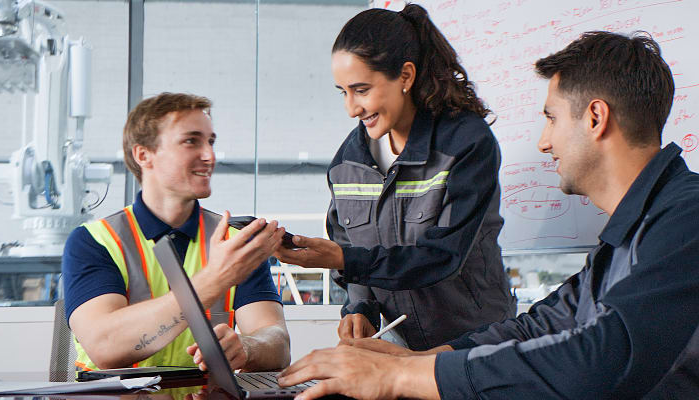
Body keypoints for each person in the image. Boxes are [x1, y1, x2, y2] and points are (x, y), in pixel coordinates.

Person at [277, 30, 699, 399]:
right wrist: (422, 361)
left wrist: (405, 374)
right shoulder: (628, 235)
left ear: (595, 118)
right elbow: (540, 326)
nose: (543, 142)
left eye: (550, 119)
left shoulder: (687, 218)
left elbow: (602, 357)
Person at [275, 4, 515, 350]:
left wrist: (344, 261)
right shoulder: (347, 164)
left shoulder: (466, 143)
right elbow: (349, 243)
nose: (351, 109)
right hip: (401, 348)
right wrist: (360, 306)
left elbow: (442, 255)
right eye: (343, 92)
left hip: (477, 346)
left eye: (361, 90)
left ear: (405, 75)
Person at [62, 92, 291, 373]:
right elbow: (104, 347)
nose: (209, 156)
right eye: (191, 141)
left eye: (210, 142)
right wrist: (214, 280)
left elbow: (277, 345)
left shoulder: (235, 241)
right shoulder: (95, 241)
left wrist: (247, 347)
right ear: (144, 154)